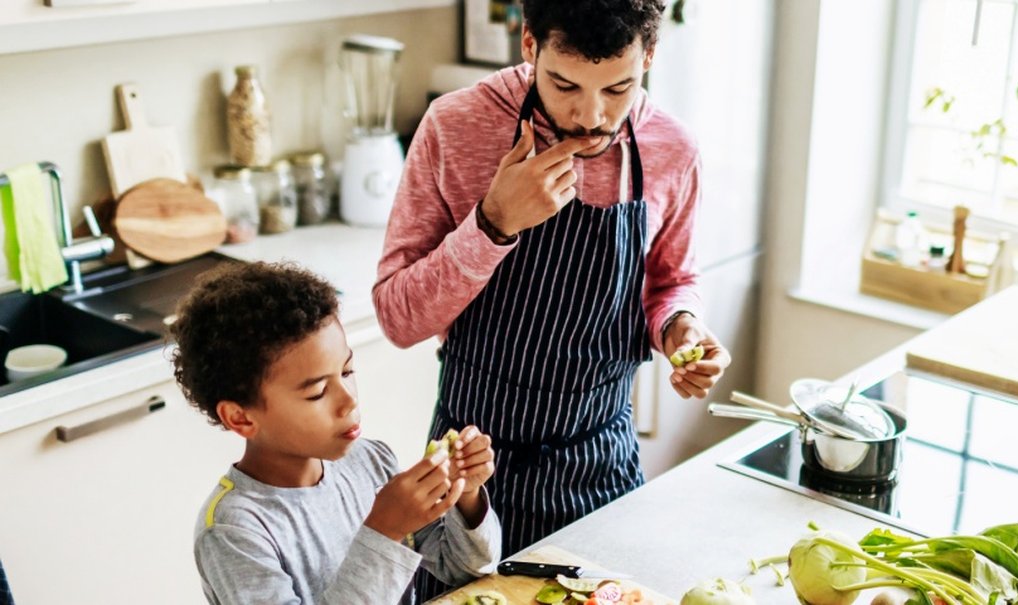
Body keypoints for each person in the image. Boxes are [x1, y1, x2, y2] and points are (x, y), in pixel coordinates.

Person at [374, 0, 731, 557]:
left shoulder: (672, 149)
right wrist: (492, 224)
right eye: (565, 86)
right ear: (529, 46)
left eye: (618, 89)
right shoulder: (455, 126)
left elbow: (671, 282)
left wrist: (680, 328)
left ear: (650, 57)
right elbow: (397, 320)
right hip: (471, 472)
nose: (591, 116)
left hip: (601, 463)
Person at [171, 262, 501, 604]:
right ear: (240, 417)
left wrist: (467, 498)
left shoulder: (371, 463)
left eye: (347, 371)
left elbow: (468, 571)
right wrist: (384, 531)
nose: (349, 400)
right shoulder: (233, 530)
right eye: (316, 393)